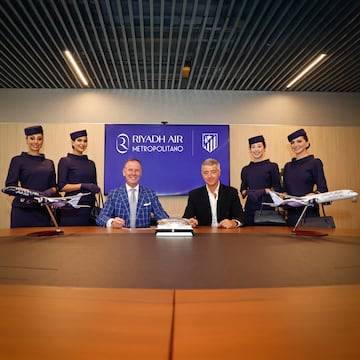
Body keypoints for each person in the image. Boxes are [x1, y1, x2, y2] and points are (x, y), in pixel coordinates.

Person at [5, 125, 57, 228]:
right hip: (23, 210)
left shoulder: (49, 163)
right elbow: (10, 186)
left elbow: (54, 186)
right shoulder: (18, 160)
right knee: (20, 243)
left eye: (39, 138)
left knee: (44, 243)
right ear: (26, 140)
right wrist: (31, 194)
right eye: (32, 138)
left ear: (43, 140)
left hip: (43, 210)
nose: (36, 142)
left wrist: (49, 192)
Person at [96, 158, 169, 228]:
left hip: (143, 238)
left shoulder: (150, 194)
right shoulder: (114, 194)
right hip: (120, 238)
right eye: (130, 170)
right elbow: (101, 218)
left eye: (137, 170)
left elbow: (161, 215)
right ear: (124, 172)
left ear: (140, 173)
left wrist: (163, 221)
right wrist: (111, 222)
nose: (133, 173)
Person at [283, 128, 328, 226]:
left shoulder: (315, 163)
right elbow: (285, 190)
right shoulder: (287, 166)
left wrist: (313, 194)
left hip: (309, 213)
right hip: (291, 214)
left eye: (299, 141)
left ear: (307, 143)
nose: (295, 145)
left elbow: (323, 189)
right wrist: (283, 197)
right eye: (293, 142)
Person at [183, 158, 245, 228]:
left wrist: (234, 223)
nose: (209, 176)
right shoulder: (194, 195)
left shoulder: (231, 193)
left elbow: (241, 217)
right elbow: (186, 218)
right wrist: (189, 222)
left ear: (219, 172)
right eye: (206, 173)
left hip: (226, 234)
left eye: (213, 172)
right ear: (202, 174)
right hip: (203, 235)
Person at [57, 130, 100, 226]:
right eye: (79, 140)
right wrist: (82, 185)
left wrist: (95, 188)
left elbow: (94, 185)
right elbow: (61, 186)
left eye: (85, 141)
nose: (82, 144)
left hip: (89, 208)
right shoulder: (65, 161)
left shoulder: (91, 163)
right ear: (72, 142)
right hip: (72, 208)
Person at [240, 135, 282, 225]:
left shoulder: (272, 166)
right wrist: (254, 192)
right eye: (253, 147)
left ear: (264, 148)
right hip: (250, 209)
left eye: (259, 146)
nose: (256, 149)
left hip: (267, 209)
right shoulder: (246, 169)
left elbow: (278, 189)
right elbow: (243, 191)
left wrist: (267, 191)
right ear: (250, 149)